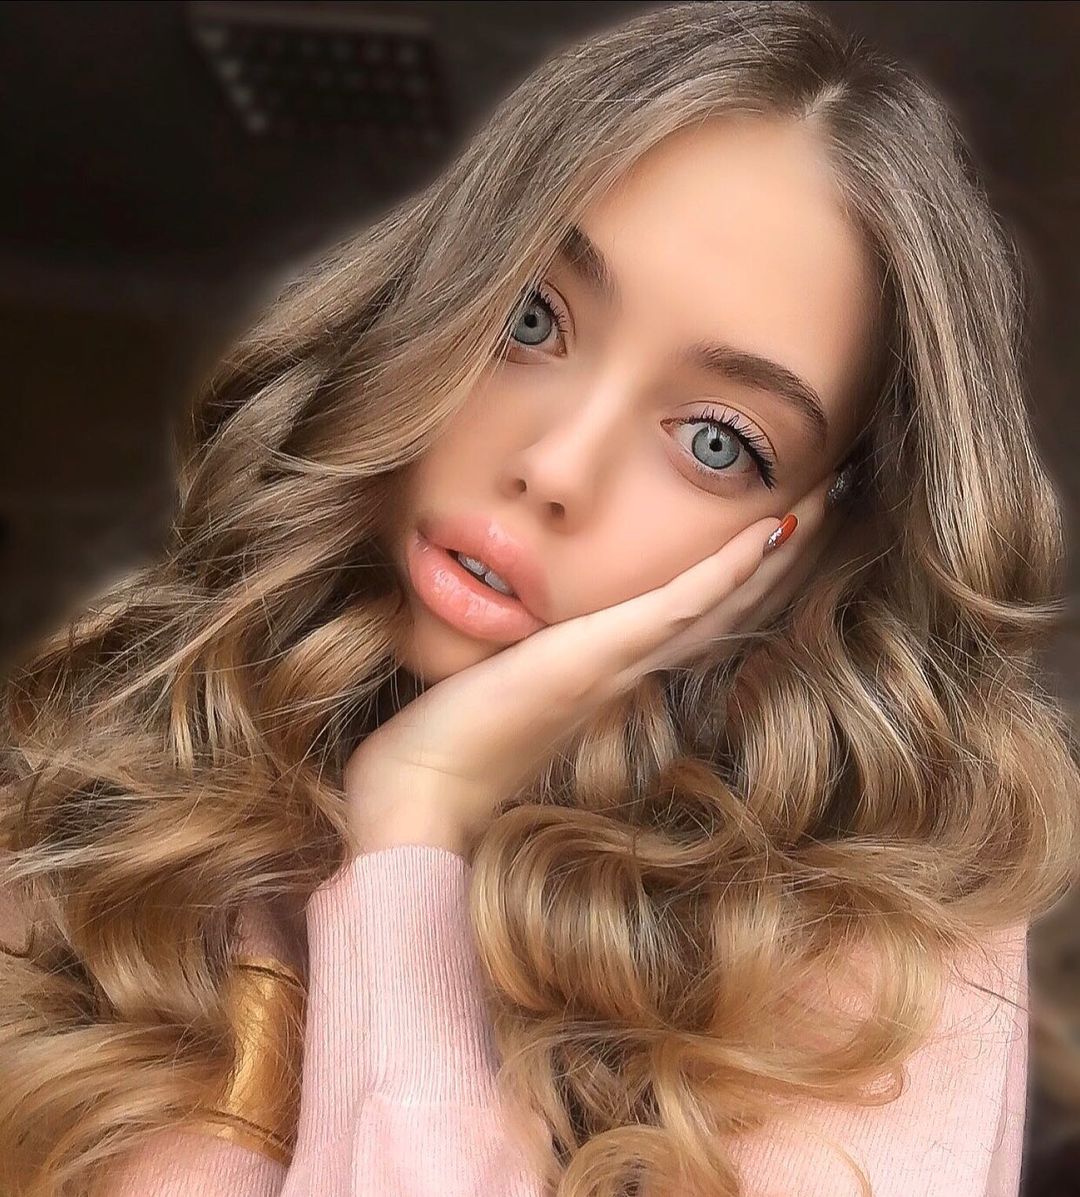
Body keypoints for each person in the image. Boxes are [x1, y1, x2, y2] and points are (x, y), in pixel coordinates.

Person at [1, 2, 1075, 1195]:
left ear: (816, 542)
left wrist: (416, 821)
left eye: (717, 441)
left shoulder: (878, 955)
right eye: (531, 318)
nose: (555, 468)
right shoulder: (123, 765)